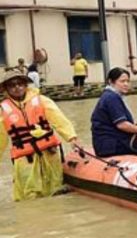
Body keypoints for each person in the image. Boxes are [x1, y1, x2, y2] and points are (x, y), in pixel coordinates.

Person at [0, 70, 79, 201]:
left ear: (26, 85)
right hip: (25, 159)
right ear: (6, 89)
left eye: (20, 83)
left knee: (55, 189)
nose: (17, 87)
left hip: (49, 153)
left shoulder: (42, 101)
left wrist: (72, 137)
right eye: (12, 85)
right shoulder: (3, 110)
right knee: (29, 194)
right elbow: (1, 138)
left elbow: (59, 120)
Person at [91, 68, 137, 159]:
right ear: (111, 82)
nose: (126, 84)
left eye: (127, 81)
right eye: (122, 81)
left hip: (108, 143)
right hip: (110, 145)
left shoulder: (109, 96)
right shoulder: (111, 98)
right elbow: (122, 125)